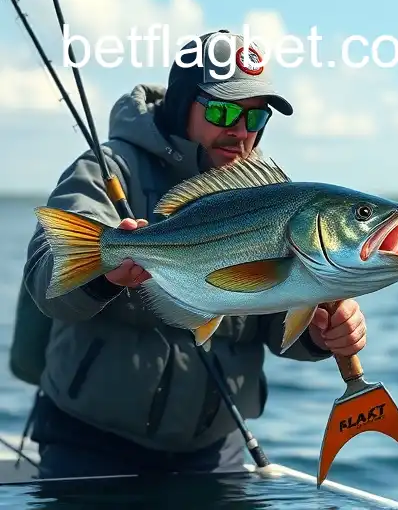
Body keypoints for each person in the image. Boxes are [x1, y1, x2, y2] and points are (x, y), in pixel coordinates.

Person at [17, 30, 368, 479]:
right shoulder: (108, 169)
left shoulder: (272, 196)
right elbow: (47, 277)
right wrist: (105, 275)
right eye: (222, 111)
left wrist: (319, 334)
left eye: (256, 117)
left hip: (214, 455)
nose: (239, 131)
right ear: (183, 104)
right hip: (89, 445)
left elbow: (274, 317)